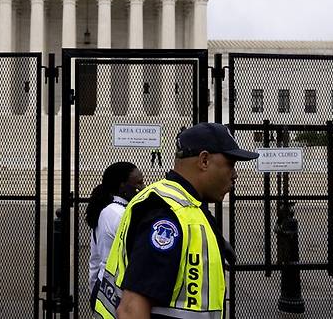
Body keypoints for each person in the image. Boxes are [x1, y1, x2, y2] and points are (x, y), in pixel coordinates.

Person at [94, 123, 259, 319]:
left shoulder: (186, 206)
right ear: (204, 160)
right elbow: (131, 310)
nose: (235, 175)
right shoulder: (166, 216)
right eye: (230, 164)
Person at [86, 162, 145, 312]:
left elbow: (95, 260)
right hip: (115, 288)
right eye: (138, 183)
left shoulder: (110, 211)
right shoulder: (118, 214)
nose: (143, 187)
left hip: (106, 285)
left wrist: (94, 288)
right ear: (122, 186)